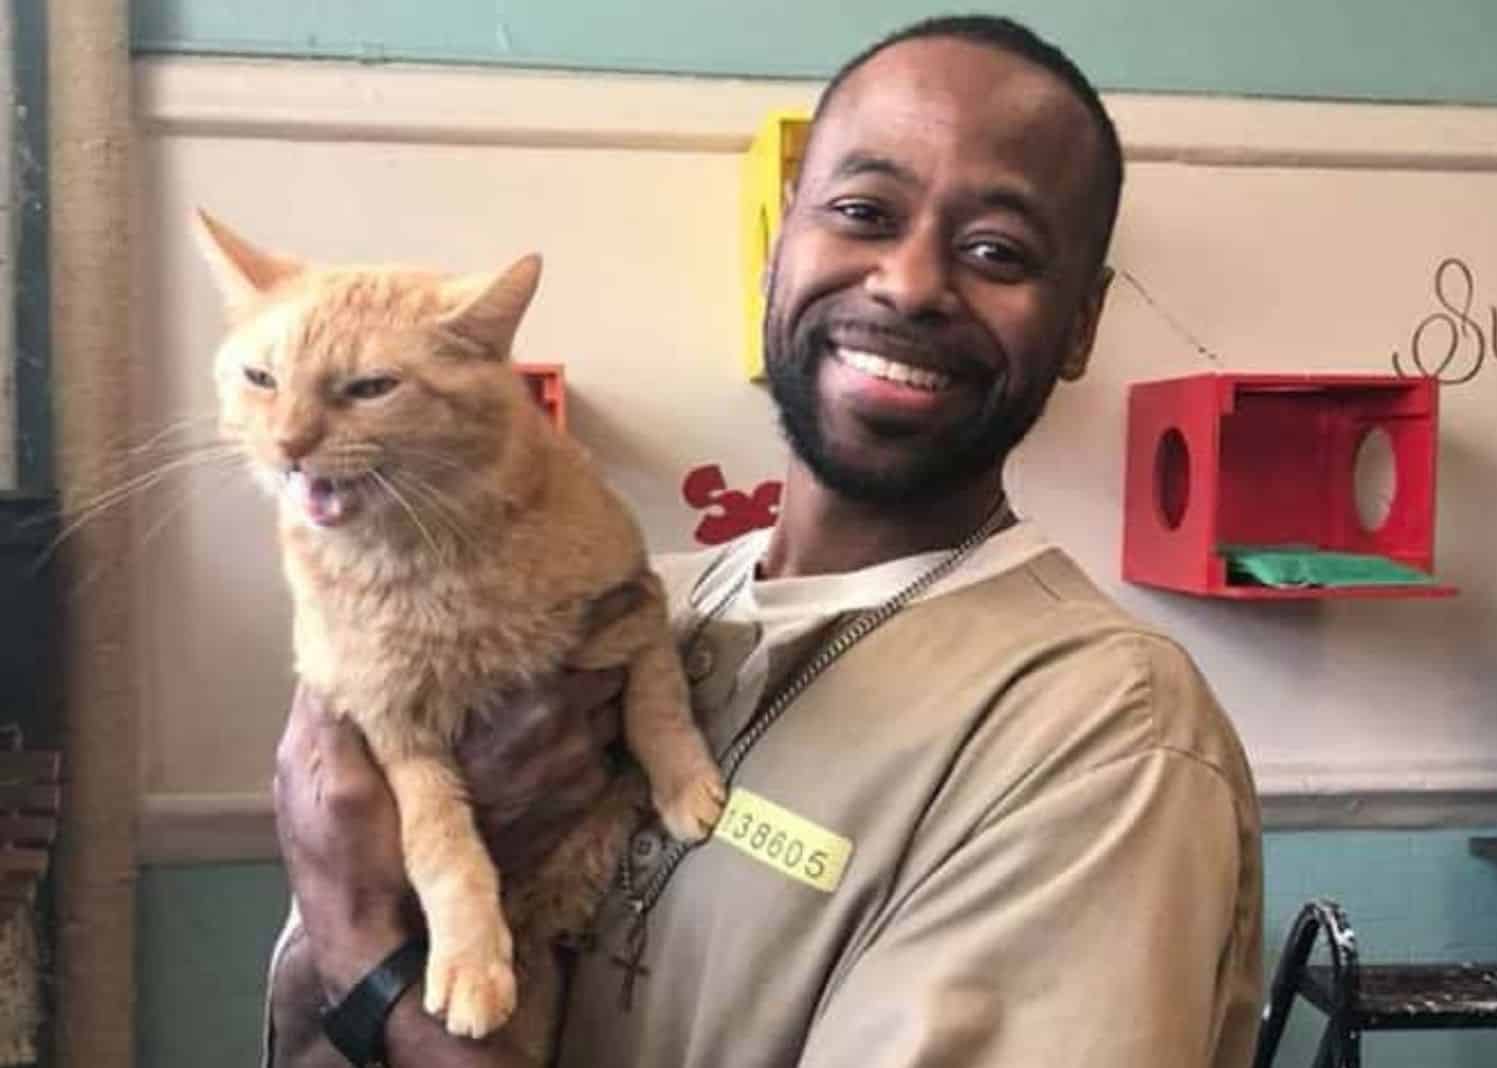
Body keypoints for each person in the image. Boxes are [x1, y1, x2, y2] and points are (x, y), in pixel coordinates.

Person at [267, 14, 1263, 1068]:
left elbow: (346, 943)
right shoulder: (627, 605)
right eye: (862, 211)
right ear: (780, 249)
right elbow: (302, 1029)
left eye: (997, 251)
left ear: (1077, 328)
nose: (911, 282)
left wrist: (364, 948)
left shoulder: (1100, 738)